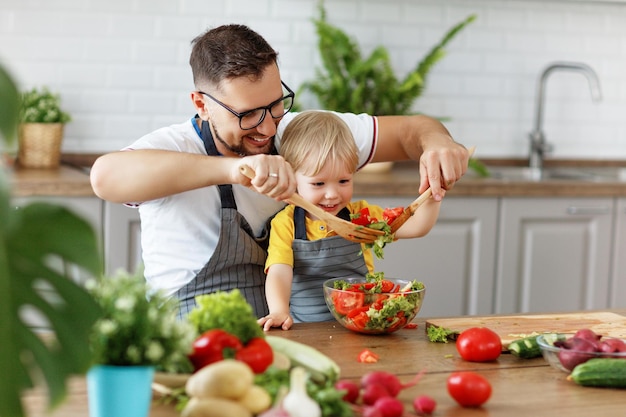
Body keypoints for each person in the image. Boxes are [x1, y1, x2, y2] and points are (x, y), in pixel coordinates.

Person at [89, 24, 470, 318]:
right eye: (247, 114)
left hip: (285, 331)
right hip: (191, 334)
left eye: (275, 104)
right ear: (201, 104)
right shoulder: (173, 147)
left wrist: (437, 144)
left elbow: (411, 131)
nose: (268, 128)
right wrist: (235, 169)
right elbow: (105, 177)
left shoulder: (304, 133)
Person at [258, 111, 441, 330]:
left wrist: (434, 192)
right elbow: (279, 271)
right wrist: (279, 311)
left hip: (360, 324)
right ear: (293, 178)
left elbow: (416, 226)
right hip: (305, 329)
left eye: (343, 180)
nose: (332, 194)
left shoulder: (362, 215)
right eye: (318, 184)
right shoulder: (285, 223)